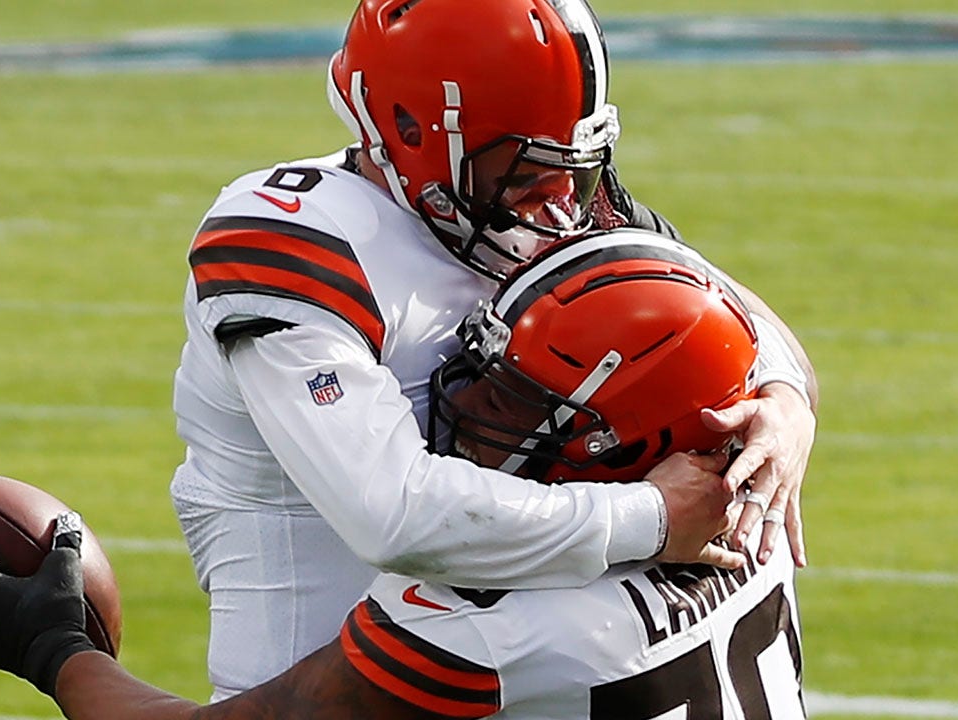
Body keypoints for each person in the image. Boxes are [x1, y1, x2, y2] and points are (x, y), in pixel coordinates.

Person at [172, 0, 816, 700]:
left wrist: (783, 406)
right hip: (314, 694)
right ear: (412, 131)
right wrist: (651, 518)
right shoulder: (293, 239)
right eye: (523, 168)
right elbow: (391, 515)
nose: (559, 201)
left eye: (572, 164)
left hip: (509, 676)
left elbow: (724, 308)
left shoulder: (551, 199)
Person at [0, 229, 804, 718]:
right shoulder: (754, 514)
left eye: (525, 401)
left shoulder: (485, 626)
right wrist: (788, 400)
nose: (475, 408)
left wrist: (53, 649)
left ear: (622, 442)